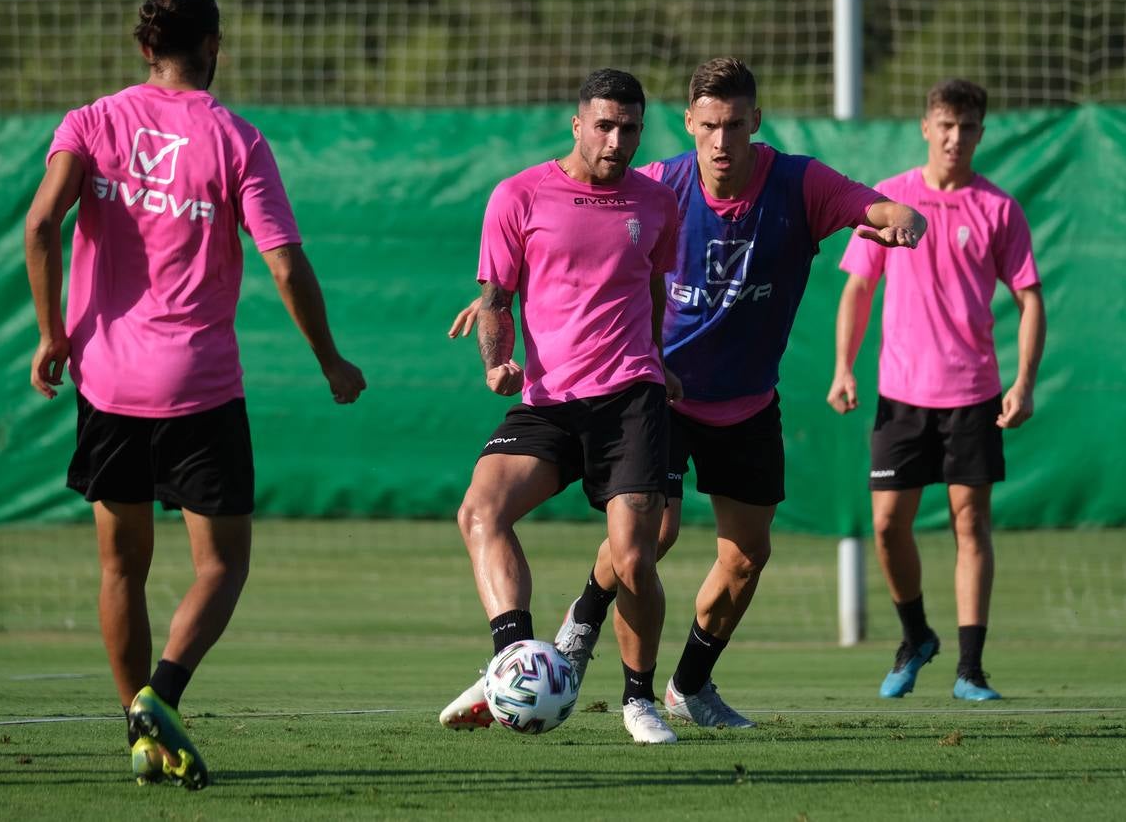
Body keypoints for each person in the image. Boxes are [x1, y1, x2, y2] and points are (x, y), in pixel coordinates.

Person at [450, 57, 927, 729]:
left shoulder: (793, 183)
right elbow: (574, 221)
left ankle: (689, 685)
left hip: (745, 401)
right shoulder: (655, 184)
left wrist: (900, 215)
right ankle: (573, 652)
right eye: (708, 126)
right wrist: (496, 311)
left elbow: (864, 204)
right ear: (689, 125)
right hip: (656, 393)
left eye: (735, 125)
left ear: (756, 123)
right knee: (648, 537)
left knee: (746, 557)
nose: (722, 142)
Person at [24, 0, 366, 788]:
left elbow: (41, 224)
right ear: (213, 44)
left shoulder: (92, 122)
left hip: (106, 380)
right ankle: (161, 696)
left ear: (146, 47)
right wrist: (329, 359)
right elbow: (283, 260)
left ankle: (137, 732)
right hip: (199, 387)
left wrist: (52, 333)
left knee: (120, 568)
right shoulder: (237, 138)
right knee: (222, 565)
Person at [438, 69, 683, 744]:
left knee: (635, 558)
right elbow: (496, 300)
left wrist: (659, 360)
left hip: (631, 396)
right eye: (603, 125)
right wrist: (496, 363)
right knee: (480, 511)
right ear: (577, 125)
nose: (616, 140)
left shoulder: (657, 203)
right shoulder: (519, 195)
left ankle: (639, 700)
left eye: (629, 128)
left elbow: (654, 291)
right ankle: (513, 661)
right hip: (548, 401)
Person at [827, 78, 1045, 701]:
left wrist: (1023, 383)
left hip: (974, 394)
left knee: (970, 524)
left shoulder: (998, 209)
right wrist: (844, 367)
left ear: (980, 133)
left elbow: (1030, 299)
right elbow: (858, 288)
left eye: (968, 127)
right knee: (889, 525)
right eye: (945, 125)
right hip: (901, 396)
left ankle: (970, 670)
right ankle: (916, 635)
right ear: (926, 127)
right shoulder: (890, 199)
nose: (955, 137)